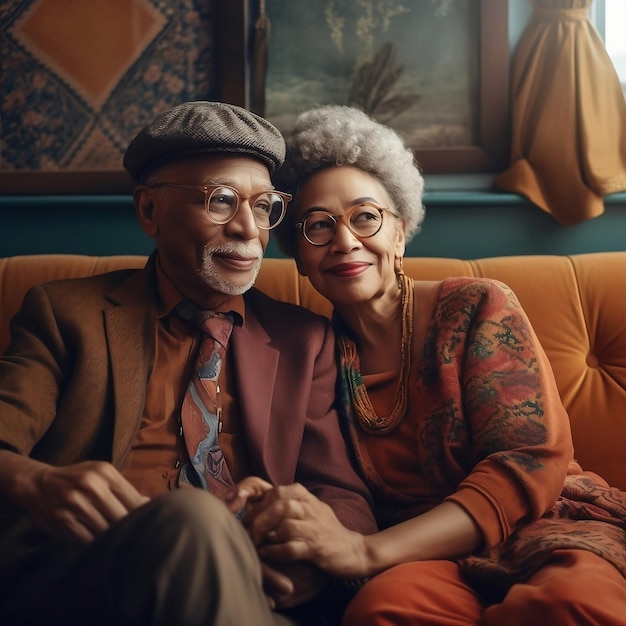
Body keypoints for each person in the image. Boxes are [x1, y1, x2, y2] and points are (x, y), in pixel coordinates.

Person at [229, 104, 626, 626]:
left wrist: (364, 553)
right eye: (318, 226)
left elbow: (530, 461)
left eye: (365, 216)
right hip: (419, 557)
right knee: (381, 611)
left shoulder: (477, 305)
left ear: (400, 231)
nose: (345, 240)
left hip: (542, 523)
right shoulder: (313, 353)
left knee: (566, 606)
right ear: (298, 255)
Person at [0, 101, 377, 626]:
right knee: (195, 517)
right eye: (221, 200)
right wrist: (34, 482)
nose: (249, 229)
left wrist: (315, 548)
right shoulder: (66, 315)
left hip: (254, 583)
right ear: (150, 211)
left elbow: (344, 496)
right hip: (90, 576)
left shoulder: (305, 339)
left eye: (265, 205)